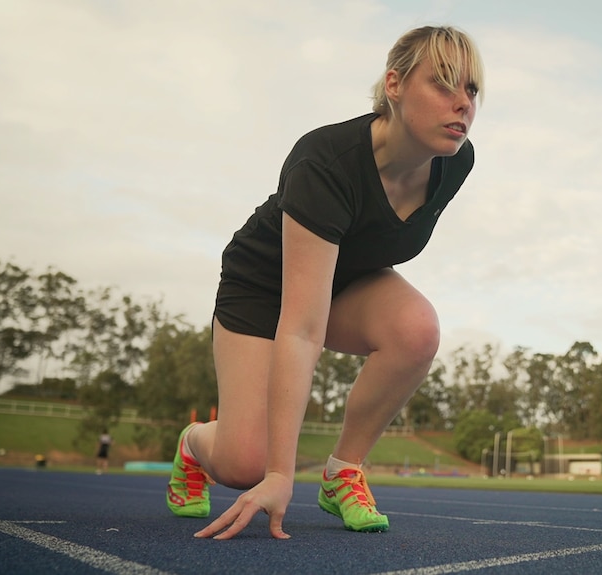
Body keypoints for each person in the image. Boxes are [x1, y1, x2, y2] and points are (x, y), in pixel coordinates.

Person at [165, 25, 484, 540]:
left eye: (471, 90)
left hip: (342, 282)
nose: (463, 104)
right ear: (395, 84)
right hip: (263, 287)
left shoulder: (454, 162)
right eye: (444, 84)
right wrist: (279, 475)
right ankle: (195, 443)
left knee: (417, 329)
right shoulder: (325, 162)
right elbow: (301, 329)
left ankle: (343, 473)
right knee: (245, 462)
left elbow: (367, 246)